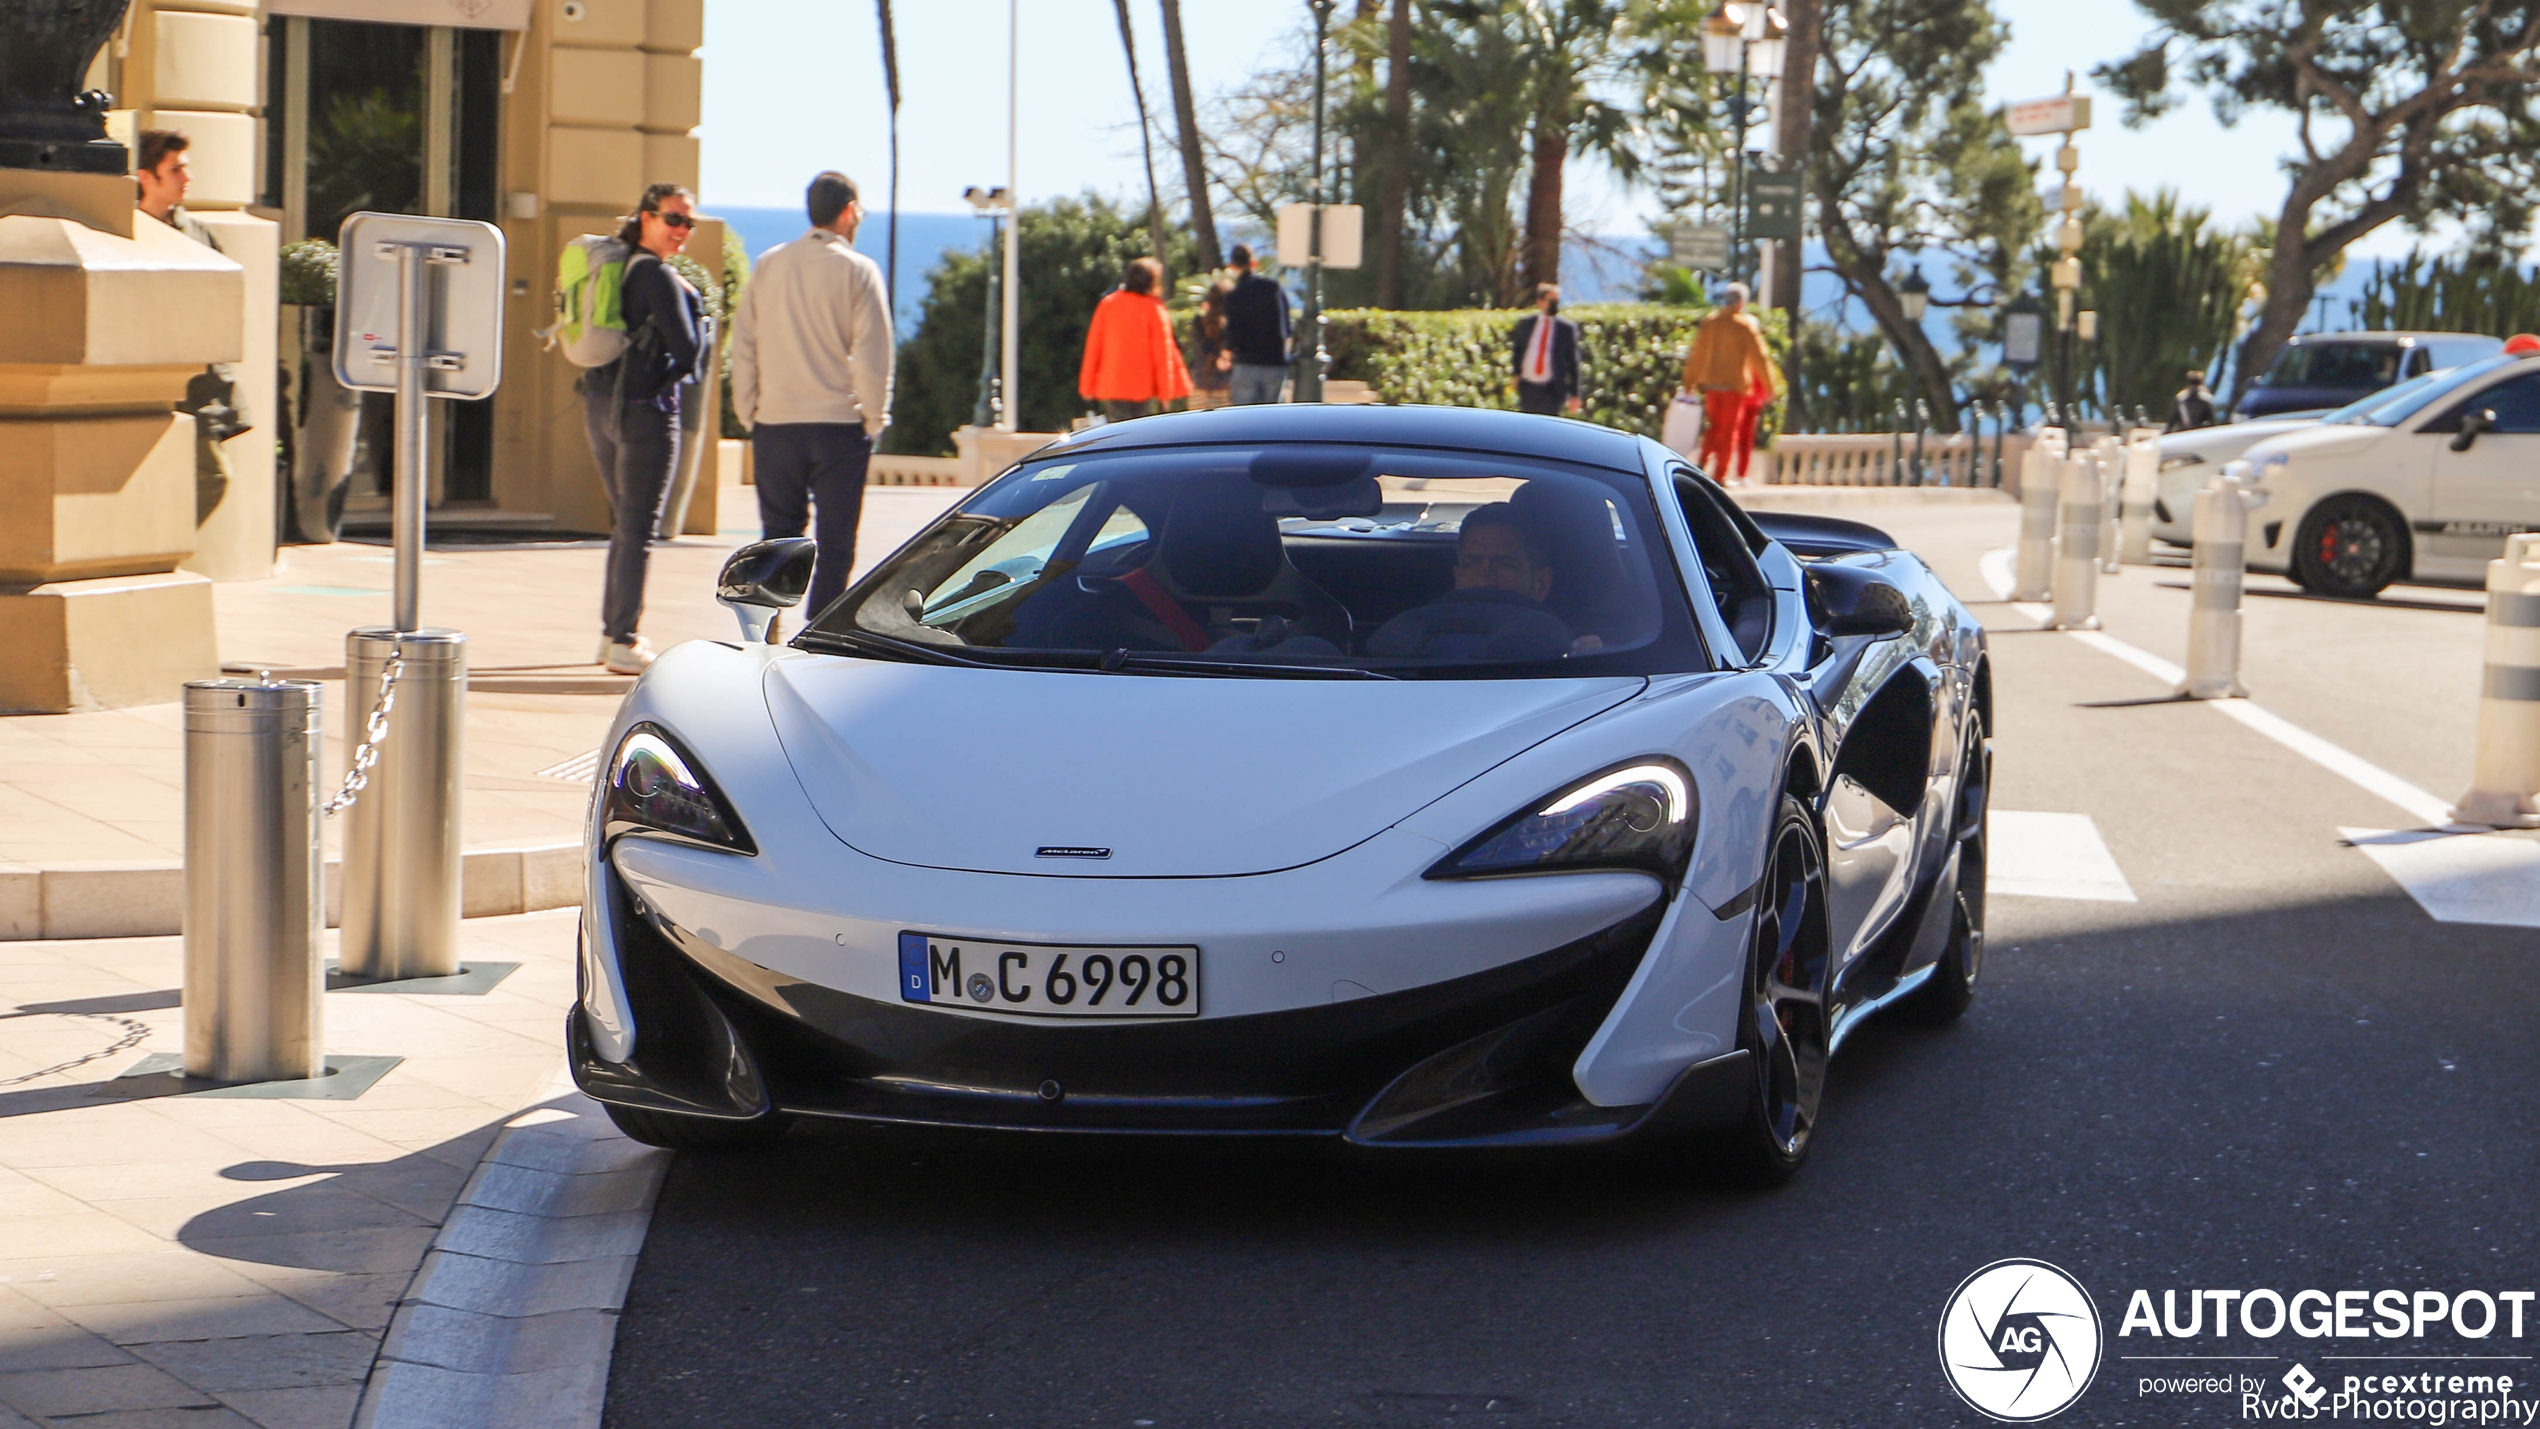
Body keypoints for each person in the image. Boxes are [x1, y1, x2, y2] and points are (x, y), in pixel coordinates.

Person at [729, 170, 895, 621]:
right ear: (847, 212)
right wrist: (874, 418)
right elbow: (874, 354)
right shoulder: (859, 270)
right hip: (839, 426)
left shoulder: (769, 264)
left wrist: (750, 411)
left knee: (777, 539)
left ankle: (766, 630)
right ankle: (815, 635)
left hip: (775, 426)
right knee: (836, 544)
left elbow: (743, 345)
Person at [581, 183, 706, 675]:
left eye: (688, 223)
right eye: (673, 220)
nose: (682, 231)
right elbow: (690, 349)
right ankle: (622, 639)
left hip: (599, 405)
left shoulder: (623, 265)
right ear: (646, 217)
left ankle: (610, 632)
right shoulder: (654, 273)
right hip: (644, 412)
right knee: (638, 527)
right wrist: (691, 306)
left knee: (624, 524)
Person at [135, 129, 248, 525]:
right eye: (176, 169)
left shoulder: (199, 235)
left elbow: (221, 307)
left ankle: (164, 551)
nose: (188, 177)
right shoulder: (121, 232)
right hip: (140, 383)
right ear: (146, 177)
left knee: (212, 476)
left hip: (196, 385)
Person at [1367, 504, 1575, 662]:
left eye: (1505, 564)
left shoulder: (1567, 657)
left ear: (1541, 583)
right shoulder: (1400, 647)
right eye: (1472, 562)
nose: (1484, 577)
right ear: (1457, 576)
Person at [1080, 257, 1193, 422]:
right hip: (1142, 387)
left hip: (1113, 384)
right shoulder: (1154, 308)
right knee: (1139, 433)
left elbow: (1094, 347)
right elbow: (1163, 353)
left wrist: (1087, 386)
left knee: (1118, 435)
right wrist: (1165, 393)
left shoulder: (1108, 304)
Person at [1683, 282, 1774, 483]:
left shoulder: (1710, 323)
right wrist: (1769, 387)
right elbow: (1760, 357)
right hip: (1734, 386)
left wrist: (1689, 381)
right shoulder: (1744, 326)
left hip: (1711, 384)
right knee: (1729, 430)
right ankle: (1720, 476)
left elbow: (1696, 354)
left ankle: (1701, 463)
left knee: (1714, 426)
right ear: (1742, 302)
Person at [1220, 243, 1291, 405]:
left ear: (1232, 266)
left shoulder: (1233, 296)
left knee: (1244, 420)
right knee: (1272, 421)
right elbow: (1286, 327)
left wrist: (1227, 354)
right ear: (1253, 263)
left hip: (1246, 364)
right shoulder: (1273, 288)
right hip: (1275, 362)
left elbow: (1232, 334)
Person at [1511, 283, 1582, 416]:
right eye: (1551, 300)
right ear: (1540, 302)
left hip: (1551, 390)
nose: (1554, 304)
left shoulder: (1565, 329)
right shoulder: (1526, 324)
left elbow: (1573, 362)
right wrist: (1516, 373)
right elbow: (1518, 349)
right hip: (1528, 387)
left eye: (1556, 300)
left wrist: (1574, 394)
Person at [1191, 276, 1234, 408]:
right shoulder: (1232, 325)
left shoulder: (1198, 322)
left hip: (1199, 384)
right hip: (1224, 387)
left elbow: (1199, 348)